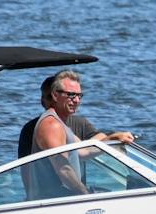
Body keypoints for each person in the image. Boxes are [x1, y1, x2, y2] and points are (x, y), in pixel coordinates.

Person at [20, 69, 135, 198]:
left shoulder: (60, 124)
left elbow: (83, 151)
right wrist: (85, 194)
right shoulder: (52, 125)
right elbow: (63, 169)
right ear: (55, 95)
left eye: (79, 96)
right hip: (53, 203)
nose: (76, 100)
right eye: (71, 95)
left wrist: (112, 138)